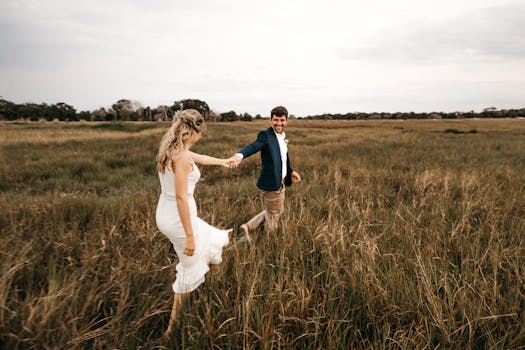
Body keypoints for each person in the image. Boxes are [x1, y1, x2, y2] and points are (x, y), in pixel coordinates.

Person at [155, 109, 235, 336]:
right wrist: (189, 235)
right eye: (200, 133)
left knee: (211, 237)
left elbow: (201, 158)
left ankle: (215, 283)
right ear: (194, 131)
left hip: (165, 212)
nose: (201, 137)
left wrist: (223, 162)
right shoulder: (180, 159)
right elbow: (181, 197)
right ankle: (171, 330)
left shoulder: (172, 151)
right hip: (179, 217)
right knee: (189, 267)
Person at [230, 106, 301, 242]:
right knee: (274, 214)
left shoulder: (282, 137)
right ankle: (270, 241)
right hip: (271, 183)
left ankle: (248, 226)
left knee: (273, 211)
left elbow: (282, 158)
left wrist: (291, 171)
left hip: (280, 180)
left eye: (282, 120)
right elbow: (255, 145)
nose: (279, 123)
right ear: (270, 120)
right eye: (275, 120)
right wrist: (240, 155)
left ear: (286, 121)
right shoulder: (266, 135)